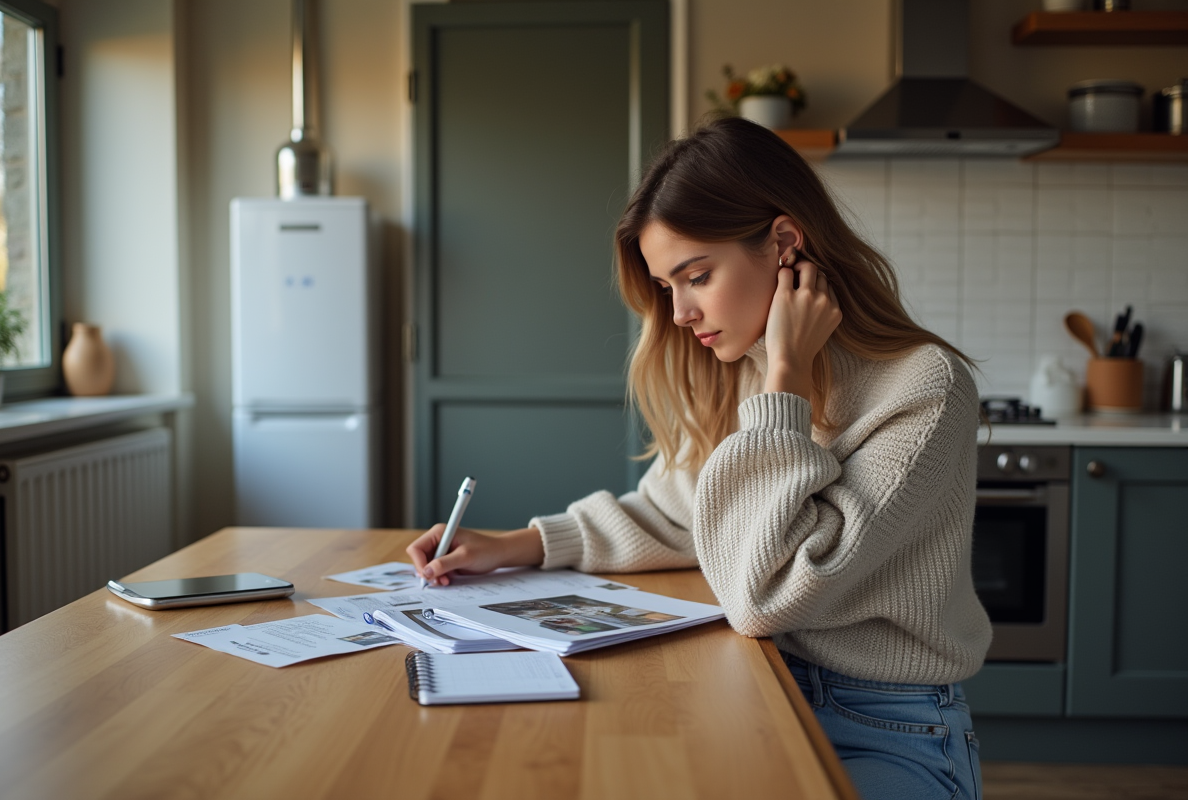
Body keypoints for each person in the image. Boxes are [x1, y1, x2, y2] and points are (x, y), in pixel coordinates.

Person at [406, 116, 990, 800]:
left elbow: (766, 594)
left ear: (784, 243)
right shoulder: (740, 368)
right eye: (666, 287)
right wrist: (515, 545)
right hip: (756, 686)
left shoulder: (924, 388)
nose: (679, 312)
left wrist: (786, 382)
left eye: (697, 276)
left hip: (887, 721)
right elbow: (672, 513)